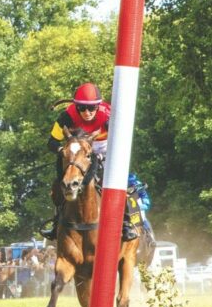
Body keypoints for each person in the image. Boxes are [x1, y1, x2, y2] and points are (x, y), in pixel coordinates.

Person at [41, 83, 153, 243]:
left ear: (98, 106)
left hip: (106, 146)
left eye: (92, 108)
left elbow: (121, 140)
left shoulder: (107, 117)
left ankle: (127, 223)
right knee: (61, 180)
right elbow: (51, 142)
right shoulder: (66, 117)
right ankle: (56, 221)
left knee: (121, 183)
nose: (87, 113)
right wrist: (62, 152)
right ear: (76, 107)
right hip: (77, 150)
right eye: (82, 108)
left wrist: (102, 156)